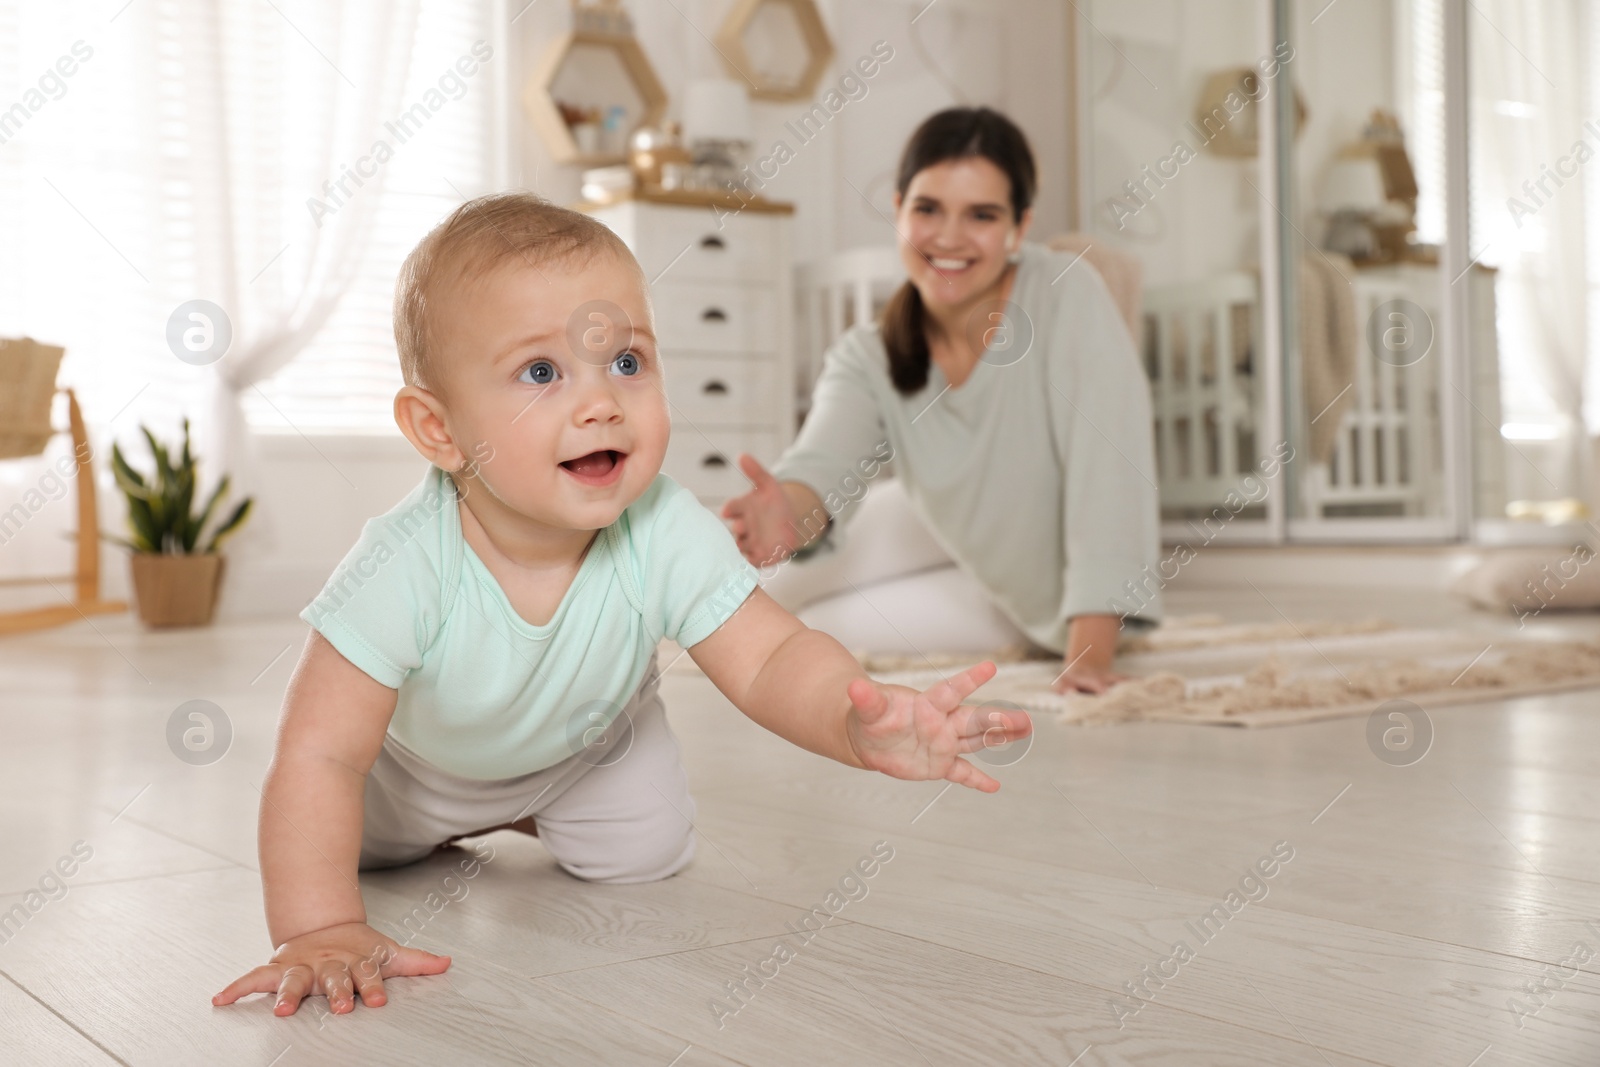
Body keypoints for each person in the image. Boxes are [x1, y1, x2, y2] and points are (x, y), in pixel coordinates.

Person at [210, 193, 1031, 1018]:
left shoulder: (664, 523)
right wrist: (318, 926)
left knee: (649, 852)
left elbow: (773, 655)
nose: (602, 402)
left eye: (628, 362)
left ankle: (540, 808)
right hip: (417, 777)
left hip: (591, 749)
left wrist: (856, 720)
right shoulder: (402, 560)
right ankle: (459, 825)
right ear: (439, 430)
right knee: (357, 845)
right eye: (542, 373)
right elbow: (319, 753)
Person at [722, 107, 1164, 694]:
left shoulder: (1065, 293)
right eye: (928, 209)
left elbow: (1110, 476)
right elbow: (821, 468)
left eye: (981, 215)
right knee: (755, 604)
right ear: (899, 208)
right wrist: (783, 512)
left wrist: (1088, 655)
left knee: (805, 631)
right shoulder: (869, 352)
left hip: (1049, 599)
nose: (949, 238)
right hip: (952, 534)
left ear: (1019, 226)